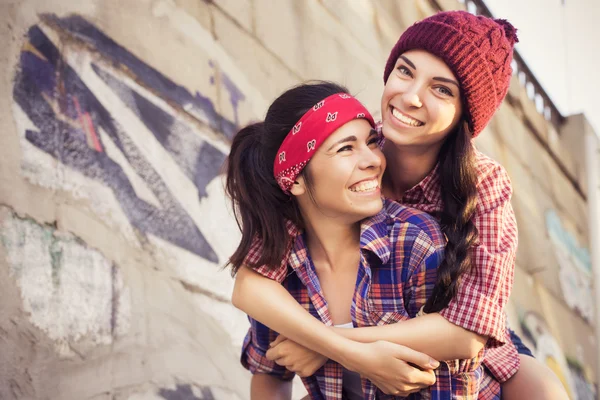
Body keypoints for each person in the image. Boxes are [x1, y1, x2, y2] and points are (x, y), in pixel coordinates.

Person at [231, 10, 569, 400]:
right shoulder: (347, 150)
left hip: (461, 341)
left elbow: (471, 331)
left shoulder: (481, 184)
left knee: (544, 390)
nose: (411, 97)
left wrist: (327, 341)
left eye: (442, 89)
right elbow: (254, 282)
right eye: (405, 72)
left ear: (464, 114)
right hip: (364, 347)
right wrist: (341, 347)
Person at [225, 81, 501, 399]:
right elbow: (270, 372)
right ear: (296, 179)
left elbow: (457, 379)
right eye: (346, 148)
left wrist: (325, 344)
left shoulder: (415, 244)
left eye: (371, 142)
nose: (373, 160)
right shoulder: (279, 268)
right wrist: (353, 354)